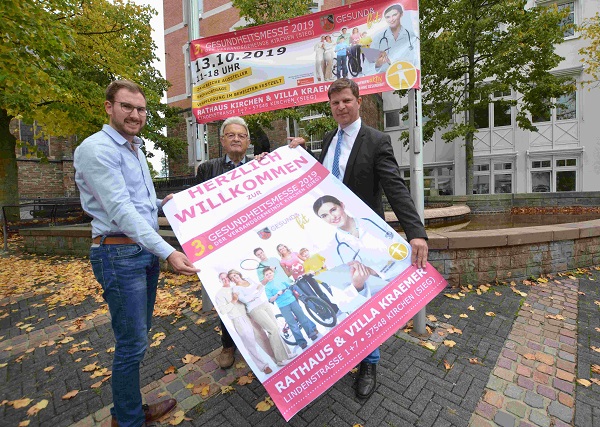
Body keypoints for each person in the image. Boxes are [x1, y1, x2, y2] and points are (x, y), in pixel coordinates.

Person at [288, 78, 428, 399]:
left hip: (361, 239)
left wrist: (416, 232)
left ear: (358, 101)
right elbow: (326, 178)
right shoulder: (327, 139)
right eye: (335, 103)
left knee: (365, 304)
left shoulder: (376, 141)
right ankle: (343, 356)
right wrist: (302, 154)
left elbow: (395, 187)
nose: (341, 107)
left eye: (347, 101)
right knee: (339, 300)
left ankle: (369, 363)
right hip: (329, 240)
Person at [74, 80, 199, 427]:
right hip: (119, 254)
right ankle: (127, 419)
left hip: (138, 252)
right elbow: (120, 211)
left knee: (137, 339)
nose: (135, 114)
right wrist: (167, 252)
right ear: (108, 107)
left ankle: (128, 410)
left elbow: (137, 203)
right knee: (132, 343)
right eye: (127, 106)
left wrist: (162, 203)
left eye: (141, 109)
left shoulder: (135, 148)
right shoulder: (96, 149)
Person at [195, 116, 268, 370]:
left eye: (241, 135)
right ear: (222, 140)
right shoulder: (207, 169)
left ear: (248, 141)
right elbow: (195, 208)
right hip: (223, 246)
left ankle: (262, 337)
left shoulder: (258, 165)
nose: (237, 139)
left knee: (256, 291)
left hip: (251, 242)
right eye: (231, 135)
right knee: (229, 296)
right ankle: (228, 344)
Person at [228, 270, 294, 366]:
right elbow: (245, 300)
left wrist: (254, 294)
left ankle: (287, 353)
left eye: (234, 275)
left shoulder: (248, 279)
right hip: (254, 309)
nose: (234, 278)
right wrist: (256, 293)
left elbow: (261, 287)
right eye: (231, 278)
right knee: (272, 330)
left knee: (276, 328)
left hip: (264, 304)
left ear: (238, 274)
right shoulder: (235, 289)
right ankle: (280, 360)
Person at [214, 273, 274, 374]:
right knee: (250, 343)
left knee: (262, 336)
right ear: (220, 281)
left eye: (226, 277)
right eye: (222, 279)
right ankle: (263, 366)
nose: (225, 280)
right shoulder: (219, 294)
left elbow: (252, 292)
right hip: (238, 319)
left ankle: (275, 357)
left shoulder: (236, 287)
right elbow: (223, 311)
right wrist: (233, 300)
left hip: (249, 313)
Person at [263, 267, 318, 350]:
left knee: (302, 318)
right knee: (292, 324)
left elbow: (291, 285)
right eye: (267, 275)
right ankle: (302, 342)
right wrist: (277, 294)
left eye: (270, 273)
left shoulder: (280, 279)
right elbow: (270, 299)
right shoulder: (267, 287)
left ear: (273, 273)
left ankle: (311, 334)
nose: (269, 275)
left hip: (292, 301)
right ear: (265, 277)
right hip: (283, 306)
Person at [368, 3, 419, 74]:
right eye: (388, 17)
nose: (391, 19)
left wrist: (392, 61)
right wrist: (377, 65)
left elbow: (417, 62)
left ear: (401, 14)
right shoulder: (377, 38)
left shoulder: (412, 36)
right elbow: (367, 69)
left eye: (394, 15)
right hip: (384, 81)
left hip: (407, 78)